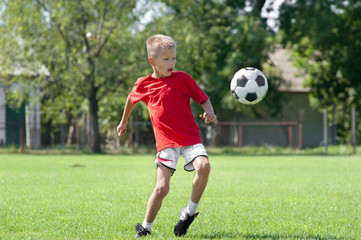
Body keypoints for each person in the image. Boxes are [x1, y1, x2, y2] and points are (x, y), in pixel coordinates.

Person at [116, 34, 217, 237]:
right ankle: (146, 227)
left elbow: (203, 98)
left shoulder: (183, 78)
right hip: (166, 142)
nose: (171, 62)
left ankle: (188, 213)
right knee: (162, 188)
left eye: (173, 58)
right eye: (166, 59)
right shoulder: (143, 84)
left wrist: (210, 111)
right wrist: (124, 120)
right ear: (152, 61)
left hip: (189, 138)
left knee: (204, 166)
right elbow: (131, 99)